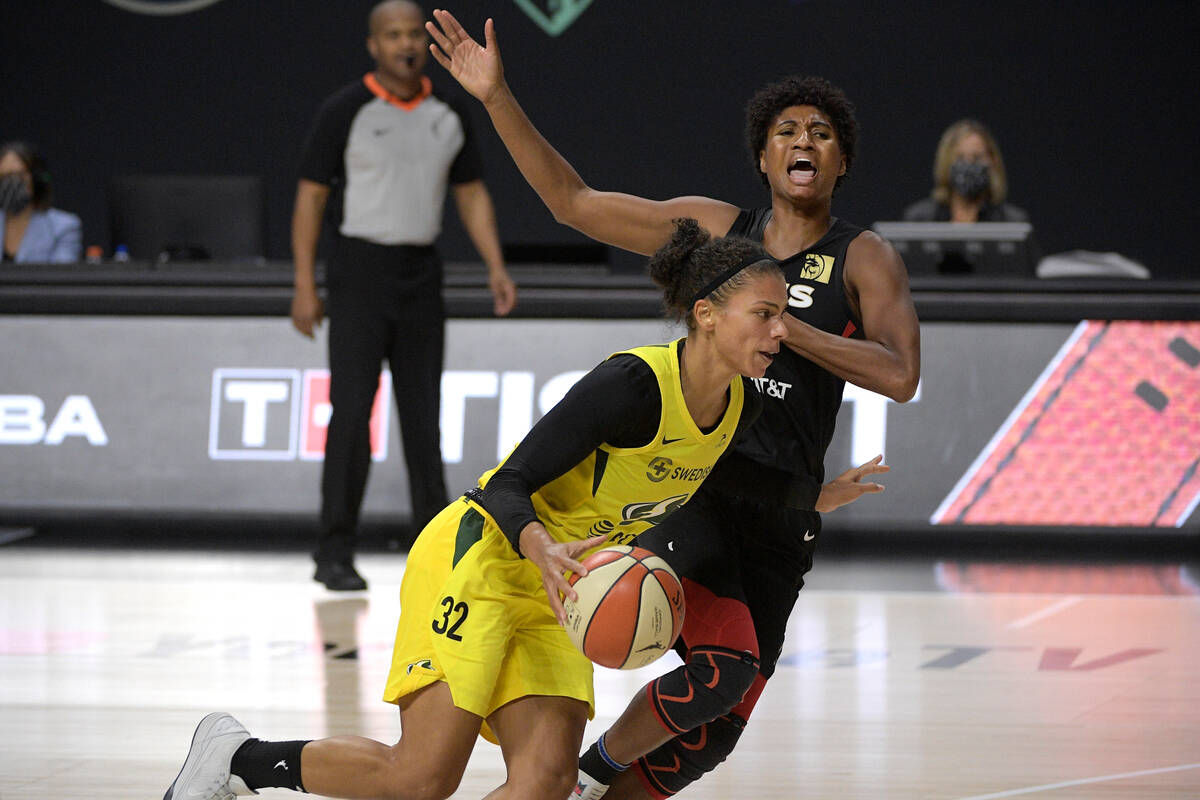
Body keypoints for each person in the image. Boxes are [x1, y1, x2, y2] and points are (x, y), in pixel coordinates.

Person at [424, 11, 920, 799]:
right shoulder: (724, 233)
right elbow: (574, 204)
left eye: (821, 132)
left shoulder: (864, 256)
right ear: (762, 156)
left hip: (781, 513)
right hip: (695, 485)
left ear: (842, 160)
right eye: (786, 129)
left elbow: (900, 375)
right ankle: (586, 774)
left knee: (709, 735)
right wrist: (496, 96)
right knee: (708, 660)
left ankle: (588, 785)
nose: (803, 140)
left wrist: (789, 328)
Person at [162, 219, 793, 800]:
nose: (782, 331)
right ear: (706, 314)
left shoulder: (741, 407)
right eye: (764, 314)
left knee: (547, 782)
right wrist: (541, 546)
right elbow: (507, 484)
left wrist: (817, 495)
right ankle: (240, 758)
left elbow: (721, 483)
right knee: (423, 777)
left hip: (563, 591)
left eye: (783, 315)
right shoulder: (632, 386)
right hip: (486, 556)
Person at [291, 0, 517, 592]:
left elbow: (470, 194)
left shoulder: (449, 112)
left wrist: (495, 265)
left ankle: (433, 549)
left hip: (421, 273)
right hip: (358, 271)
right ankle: (333, 552)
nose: (406, 44)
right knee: (350, 414)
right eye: (392, 35)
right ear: (374, 45)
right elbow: (311, 196)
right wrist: (303, 284)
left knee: (422, 420)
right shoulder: (345, 110)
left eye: (414, 33)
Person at [902, 118, 1029, 223]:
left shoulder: (1011, 221)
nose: (968, 164)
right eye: (960, 158)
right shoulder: (921, 219)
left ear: (993, 161)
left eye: (977, 157)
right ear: (946, 162)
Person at [0, 141, 81, 264]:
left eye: (18, 175)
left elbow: (61, 277)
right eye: (5, 176)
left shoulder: (63, 227)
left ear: (36, 179)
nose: (12, 183)